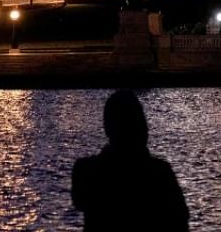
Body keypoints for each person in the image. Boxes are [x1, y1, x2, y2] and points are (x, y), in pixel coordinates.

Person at [72, 90, 189, 231]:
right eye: (141, 121)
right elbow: (180, 222)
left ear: (108, 128)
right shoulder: (160, 172)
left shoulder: (85, 171)